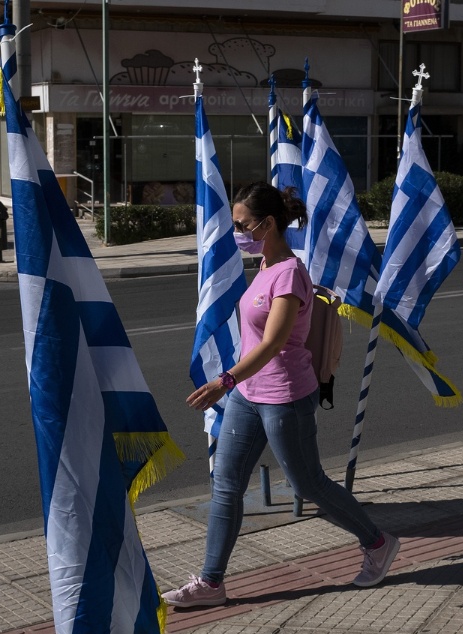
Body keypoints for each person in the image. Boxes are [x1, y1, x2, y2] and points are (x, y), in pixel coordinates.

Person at [163, 182, 400, 608]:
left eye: (242, 224)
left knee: (308, 483)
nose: (236, 231)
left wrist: (224, 381)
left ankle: (378, 543)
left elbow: (273, 343)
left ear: (267, 224)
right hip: (247, 396)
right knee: (226, 484)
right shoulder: (265, 267)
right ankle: (211, 582)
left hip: (284, 395)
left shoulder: (289, 273)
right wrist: (236, 386)